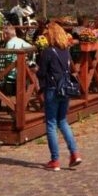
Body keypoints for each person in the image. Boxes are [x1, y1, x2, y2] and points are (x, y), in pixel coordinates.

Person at [35, 21, 82, 171]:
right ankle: (74, 153)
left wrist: (35, 69)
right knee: (63, 121)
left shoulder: (49, 52)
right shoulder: (65, 51)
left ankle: (55, 160)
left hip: (52, 89)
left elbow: (42, 73)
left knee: (51, 123)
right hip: (65, 89)